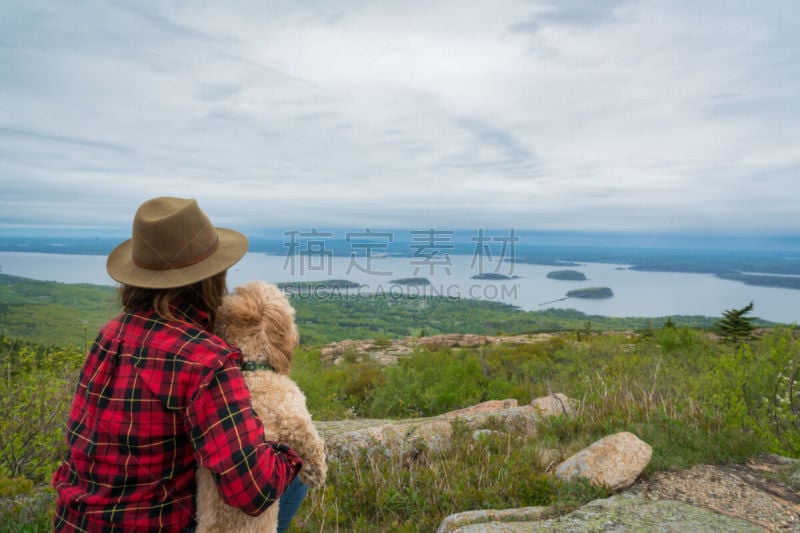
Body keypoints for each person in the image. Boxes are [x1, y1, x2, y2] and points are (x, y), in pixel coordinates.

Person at [52, 197, 306, 532]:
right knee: (296, 477)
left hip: (74, 521)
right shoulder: (207, 360)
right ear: (209, 278)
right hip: (153, 525)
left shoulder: (110, 334)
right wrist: (289, 450)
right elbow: (253, 492)